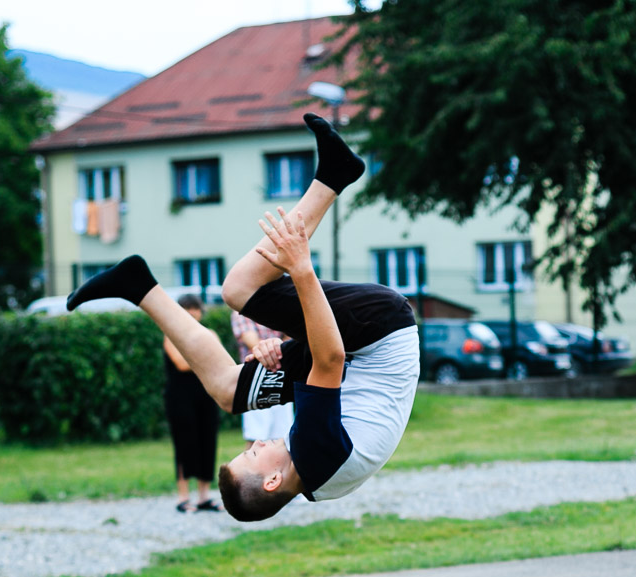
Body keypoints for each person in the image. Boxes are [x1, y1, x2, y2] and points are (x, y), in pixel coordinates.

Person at [67, 114, 418, 521]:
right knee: (239, 290)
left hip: (354, 360)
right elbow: (330, 360)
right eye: (252, 454)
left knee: (227, 390)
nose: (258, 444)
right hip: (378, 332)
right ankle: (332, 177)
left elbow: (335, 380)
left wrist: (283, 347)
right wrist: (300, 268)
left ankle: (139, 287)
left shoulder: (312, 480)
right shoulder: (312, 453)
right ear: (272, 481)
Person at [162, 293, 221, 512]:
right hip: (180, 397)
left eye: (195, 308)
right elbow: (181, 363)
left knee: (208, 442)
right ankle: (183, 497)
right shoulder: (171, 335)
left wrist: (203, 358)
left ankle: (204, 496)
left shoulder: (210, 333)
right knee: (185, 443)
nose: (192, 313)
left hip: (207, 395)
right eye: (187, 309)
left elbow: (219, 359)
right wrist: (205, 357)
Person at [230, 309, 293, 442]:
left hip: (281, 377)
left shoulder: (276, 307)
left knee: (283, 439)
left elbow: (291, 336)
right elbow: (254, 343)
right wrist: (282, 351)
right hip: (255, 380)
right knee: (256, 438)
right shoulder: (241, 312)